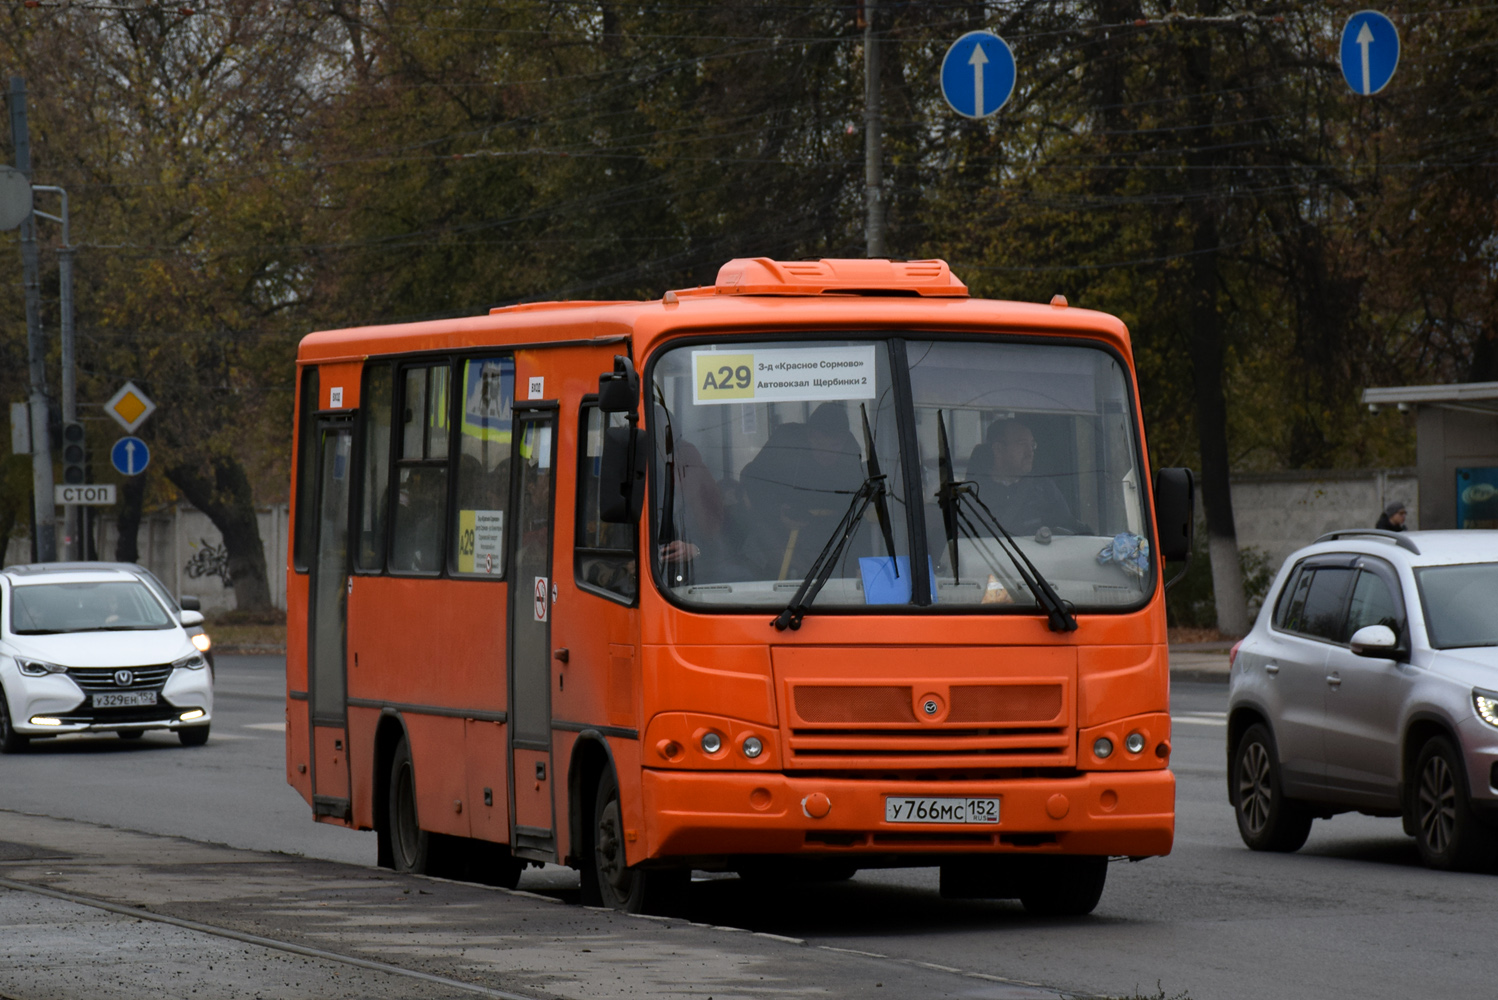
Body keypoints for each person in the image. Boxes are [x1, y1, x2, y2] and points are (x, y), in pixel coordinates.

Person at [967, 417, 1082, 535]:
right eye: (1022, 444)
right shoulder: (971, 494)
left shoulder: (1044, 489)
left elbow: (1070, 531)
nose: (1030, 452)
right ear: (999, 449)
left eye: (1032, 445)